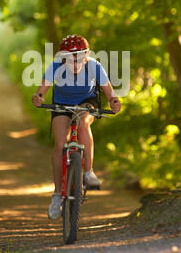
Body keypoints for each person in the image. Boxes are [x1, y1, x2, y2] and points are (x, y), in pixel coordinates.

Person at [32, 34, 121, 220]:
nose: (75, 62)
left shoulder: (94, 66)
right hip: (61, 104)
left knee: (81, 123)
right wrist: (38, 97)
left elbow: (109, 90)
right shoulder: (56, 67)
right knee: (60, 142)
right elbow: (42, 89)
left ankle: (88, 172)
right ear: (62, 58)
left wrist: (114, 100)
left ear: (87, 55)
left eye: (80, 56)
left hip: (86, 101)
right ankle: (57, 195)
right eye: (70, 58)